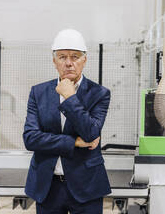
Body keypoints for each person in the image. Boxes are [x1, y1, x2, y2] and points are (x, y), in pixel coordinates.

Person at [23, 29, 111, 214]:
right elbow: (30, 138)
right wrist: (74, 142)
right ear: (54, 61)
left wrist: (70, 97)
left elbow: (91, 133)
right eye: (62, 57)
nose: (69, 63)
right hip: (48, 186)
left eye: (75, 56)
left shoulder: (99, 93)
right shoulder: (38, 93)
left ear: (84, 60)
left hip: (87, 185)